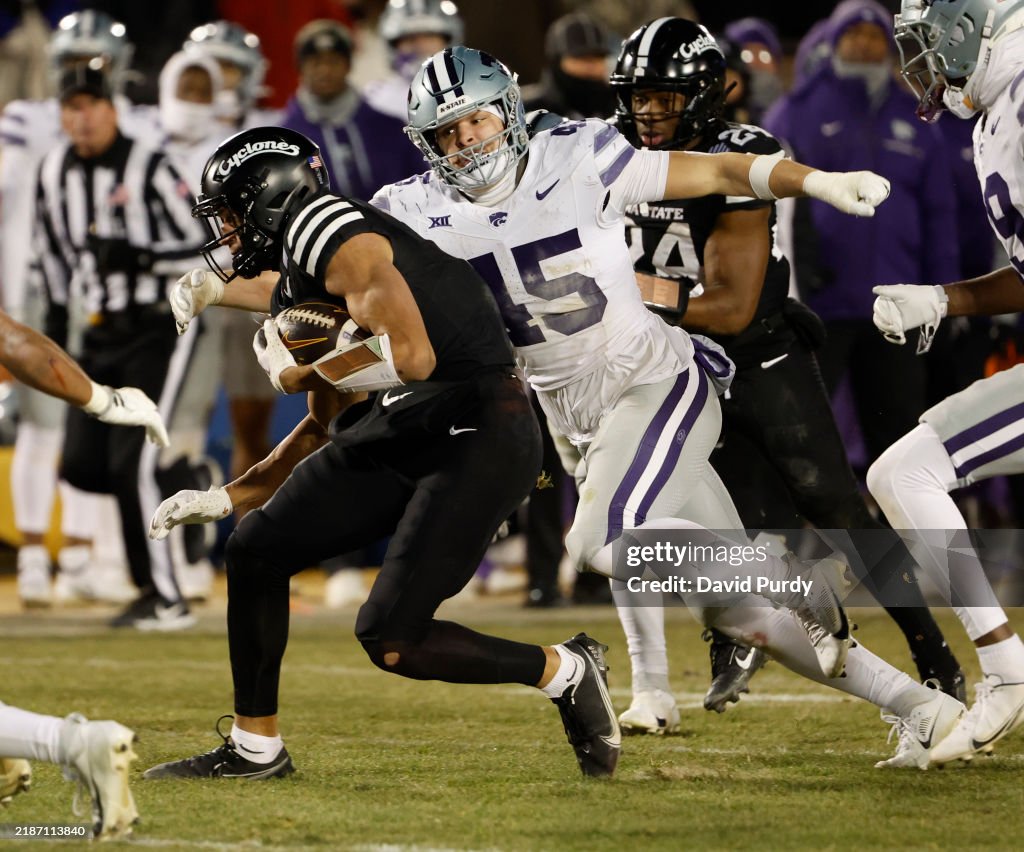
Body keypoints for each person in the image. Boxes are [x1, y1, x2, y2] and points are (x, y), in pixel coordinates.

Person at [171, 51, 974, 768]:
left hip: (651, 382)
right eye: (446, 132)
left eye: (477, 121)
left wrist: (817, 181)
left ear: (508, 113)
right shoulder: (410, 207)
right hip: (570, 411)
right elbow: (326, 279)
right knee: (741, 614)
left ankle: (784, 567)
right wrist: (216, 287)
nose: (465, 143)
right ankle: (922, 708)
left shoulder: (580, 153)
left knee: (598, 544)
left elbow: (716, 172)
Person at [142, 126, 623, 780]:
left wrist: (301, 371)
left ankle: (565, 670)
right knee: (255, 550)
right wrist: (229, 497)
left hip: (477, 422)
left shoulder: (325, 226)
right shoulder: (303, 274)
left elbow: (414, 357)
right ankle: (255, 749)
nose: (224, 233)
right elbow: (322, 427)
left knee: (394, 638)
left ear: (270, 199)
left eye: (230, 214)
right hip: (407, 420)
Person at [609, 17, 964, 729]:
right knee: (695, 518)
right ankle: (730, 638)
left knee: (835, 508)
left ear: (704, 94)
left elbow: (732, 308)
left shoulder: (739, 152)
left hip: (755, 354)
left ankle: (933, 651)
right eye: (637, 95)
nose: (647, 111)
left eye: (664, 97)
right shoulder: (604, 153)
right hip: (671, 363)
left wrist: (629, 294)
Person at [867, 0, 1024, 766]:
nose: (921, 65)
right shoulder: (997, 113)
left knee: (906, 473)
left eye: (929, 44)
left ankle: (1008, 674)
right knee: (902, 472)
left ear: (969, 29)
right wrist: (944, 300)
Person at [33, 65, 207, 630]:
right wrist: (55, 327)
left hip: (159, 326)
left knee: (133, 461)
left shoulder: (151, 165)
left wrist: (141, 256)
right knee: (83, 465)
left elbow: (207, 243)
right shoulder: (53, 170)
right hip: (98, 331)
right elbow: (51, 253)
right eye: (71, 107)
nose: (81, 118)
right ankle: (185, 485)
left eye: (90, 105)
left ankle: (165, 597)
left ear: (112, 109)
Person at [763, 0, 960, 473]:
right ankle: (805, 520)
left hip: (897, 302)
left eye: (875, 36)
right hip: (820, 303)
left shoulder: (916, 116)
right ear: (834, 42)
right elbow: (767, 201)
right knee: (805, 429)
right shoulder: (796, 111)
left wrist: (946, 291)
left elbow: (939, 212)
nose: (865, 44)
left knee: (899, 429)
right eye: (854, 34)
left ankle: (897, 516)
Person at [1, 9, 138, 609]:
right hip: (39, 287)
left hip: (107, 296)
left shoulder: (136, 123)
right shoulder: (28, 119)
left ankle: (81, 556)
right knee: (40, 425)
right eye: (73, 61)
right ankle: (34, 557)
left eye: (95, 62)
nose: (84, 72)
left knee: (94, 419)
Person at [281, 19, 424, 203]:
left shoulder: (391, 129)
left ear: (348, 64)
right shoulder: (285, 140)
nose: (325, 70)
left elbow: (422, 189)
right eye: (315, 62)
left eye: (333, 61)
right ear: (300, 67)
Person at [366, 0, 464, 120]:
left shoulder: (473, 90)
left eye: (429, 36)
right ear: (393, 47)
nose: (421, 46)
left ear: (448, 42)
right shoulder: (375, 99)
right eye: (410, 38)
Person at [522, 11, 616, 120]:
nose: (591, 65)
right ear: (557, 61)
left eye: (598, 57)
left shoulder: (619, 107)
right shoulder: (526, 111)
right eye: (581, 57)